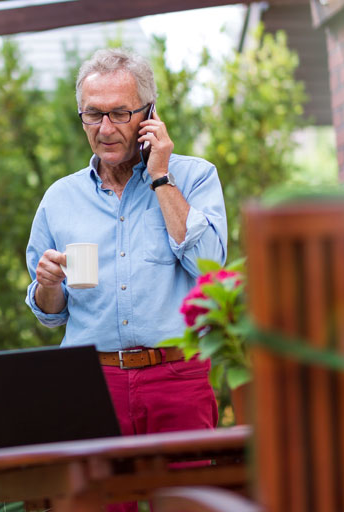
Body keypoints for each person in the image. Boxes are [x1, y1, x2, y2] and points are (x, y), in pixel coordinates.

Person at [25, 47, 228, 510]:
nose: (105, 127)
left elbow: (210, 269)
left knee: (187, 504)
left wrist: (160, 178)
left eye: (120, 112)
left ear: (149, 115)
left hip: (176, 377)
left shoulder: (194, 179)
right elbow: (51, 315)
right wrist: (48, 284)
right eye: (93, 114)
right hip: (91, 386)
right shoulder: (59, 199)